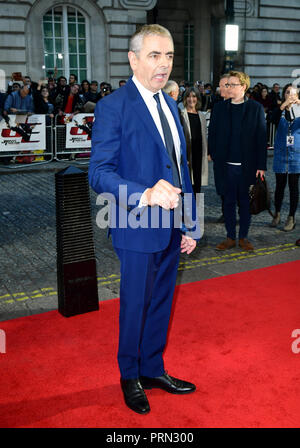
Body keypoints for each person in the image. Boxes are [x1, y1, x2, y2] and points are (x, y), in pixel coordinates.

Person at [89, 24, 198, 415]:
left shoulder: (170, 104)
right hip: (135, 223)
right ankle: (129, 374)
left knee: (161, 302)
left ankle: (153, 368)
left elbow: (182, 167)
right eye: (154, 55)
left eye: (169, 55)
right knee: (135, 303)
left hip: (171, 226)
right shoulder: (112, 106)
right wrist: (145, 193)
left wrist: (190, 222)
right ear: (133, 59)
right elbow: (98, 173)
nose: (164, 64)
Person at [208, 70, 267, 251]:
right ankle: (229, 237)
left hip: (247, 166)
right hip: (225, 166)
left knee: (244, 203)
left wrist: (261, 165)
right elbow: (213, 134)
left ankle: (243, 237)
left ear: (243, 86)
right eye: (227, 85)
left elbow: (261, 138)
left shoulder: (255, 109)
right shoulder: (219, 108)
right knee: (228, 202)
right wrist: (212, 153)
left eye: (232, 84)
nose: (228, 87)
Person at [270, 84, 300, 231]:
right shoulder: (280, 111)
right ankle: (277, 212)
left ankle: (291, 217)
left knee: (294, 186)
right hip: (281, 154)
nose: (290, 96)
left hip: (296, 155)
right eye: (288, 92)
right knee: (280, 186)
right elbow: (272, 118)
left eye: (293, 94)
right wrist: (283, 106)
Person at [180, 87, 208, 193]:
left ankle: (198, 209)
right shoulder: (181, 115)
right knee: (188, 185)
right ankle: (189, 209)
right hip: (187, 154)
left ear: (198, 99)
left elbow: (204, 136)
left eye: (194, 96)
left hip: (199, 154)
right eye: (189, 96)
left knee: (198, 184)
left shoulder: (201, 115)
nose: (191, 99)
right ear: (185, 99)